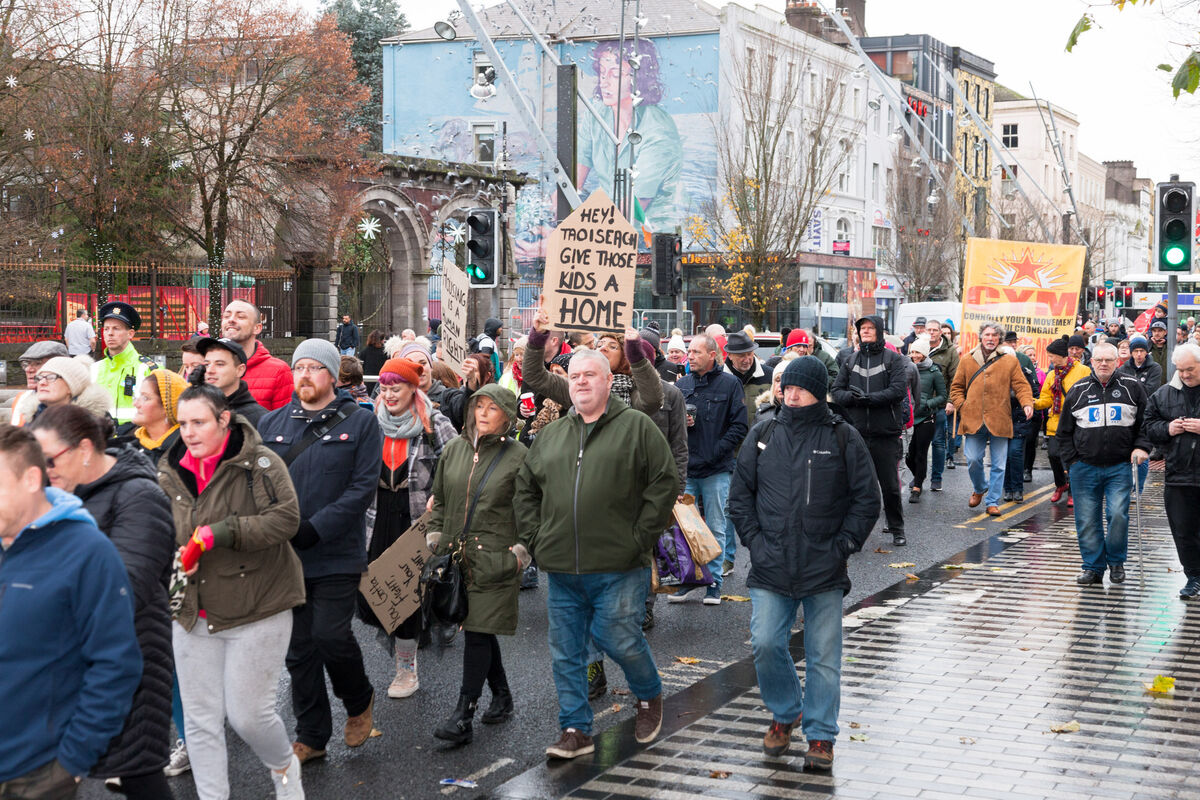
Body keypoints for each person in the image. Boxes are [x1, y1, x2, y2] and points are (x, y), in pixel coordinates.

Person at [514, 349, 677, 759]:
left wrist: (639, 537)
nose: (581, 382)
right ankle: (575, 729)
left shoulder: (636, 427)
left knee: (617, 637)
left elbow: (664, 481)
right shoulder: (552, 434)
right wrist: (536, 538)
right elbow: (526, 488)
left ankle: (648, 694)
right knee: (566, 652)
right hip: (562, 567)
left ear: (608, 381)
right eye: (574, 376)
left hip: (620, 564)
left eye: (590, 375)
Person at [728, 357, 880, 767]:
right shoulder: (762, 433)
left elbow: (867, 499)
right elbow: (740, 498)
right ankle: (786, 711)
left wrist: (843, 545)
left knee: (824, 657)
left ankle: (820, 735)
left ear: (818, 391)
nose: (790, 395)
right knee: (764, 643)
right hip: (770, 563)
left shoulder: (843, 436)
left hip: (824, 567)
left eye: (799, 388)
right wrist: (755, 544)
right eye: (786, 388)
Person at [158, 384, 305, 799]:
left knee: (248, 717)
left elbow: (286, 520)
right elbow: (163, 532)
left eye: (199, 422)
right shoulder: (170, 469)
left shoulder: (259, 463)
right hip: (192, 610)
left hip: (259, 606)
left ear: (224, 419)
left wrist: (220, 534)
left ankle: (284, 769)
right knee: (201, 720)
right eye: (183, 423)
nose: (188, 432)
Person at [30, 406, 176, 800]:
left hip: (127, 660)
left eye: (49, 459)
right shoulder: (57, 492)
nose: (43, 470)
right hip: (66, 660)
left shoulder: (140, 495)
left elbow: (124, 587)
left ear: (84, 449)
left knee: (139, 772)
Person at [257, 339, 383, 765]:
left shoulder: (362, 423)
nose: (304, 375)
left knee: (330, 634)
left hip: (335, 552)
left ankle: (358, 696)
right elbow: (258, 485)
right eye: (299, 368)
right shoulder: (273, 423)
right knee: (298, 649)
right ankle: (311, 733)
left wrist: (317, 528)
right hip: (285, 556)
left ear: (332, 375)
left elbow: (362, 488)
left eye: (314, 368)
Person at [0, 424, 141, 800]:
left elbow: (116, 664)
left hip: (35, 773)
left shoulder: (87, 552)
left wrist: (72, 762)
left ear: (32, 479)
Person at [426, 385, 527, 745]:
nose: (483, 413)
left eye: (492, 408)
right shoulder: (454, 449)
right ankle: (502, 694)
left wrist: (520, 554)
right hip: (456, 557)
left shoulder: (519, 456)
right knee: (479, 626)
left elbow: (532, 511)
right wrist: (435, 536)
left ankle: (463, 714)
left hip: (497, 560)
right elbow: (438, 501)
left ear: (507, 416)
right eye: (478, 406)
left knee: (479, 632)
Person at [360, 356, 456, 698]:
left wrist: (440, 499)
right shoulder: (370, 421)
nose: (388, 395)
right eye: (383, 388)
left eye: (395, 388)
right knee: (373, 594)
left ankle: (406, 670)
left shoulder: (435, 422)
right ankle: (403, 650)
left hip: (416, 516)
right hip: (378, 513)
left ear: (412, 389)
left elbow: (457, 465)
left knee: (407, 598)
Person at [1055, 342, 1150, 586]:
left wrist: (1141, 447)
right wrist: (1072, 462)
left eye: (1109, 359)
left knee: (1117, 514)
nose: (1104, 364)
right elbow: (1064, 432)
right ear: (1092, 362)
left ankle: (1116, 562)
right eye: (1099, 360)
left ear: (1117, 361)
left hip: (1120, 465)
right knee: (1087, 520)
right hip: (1084, 467)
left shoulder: (1133, 387)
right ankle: (1093, 568)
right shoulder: (1078, 390)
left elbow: (1146, 424)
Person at [671, 333, 748, 599]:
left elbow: (740, 426)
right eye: (689, 352)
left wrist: (716, 451)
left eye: (695, 352)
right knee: (685, 528)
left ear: (712, 355)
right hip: (687, 469)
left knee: (715, 526)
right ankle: (689, 578)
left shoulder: (730, 384)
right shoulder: (682, 385)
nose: (689, 356)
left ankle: (714, 581)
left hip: (716, 468)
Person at [830, 315, 909, 545]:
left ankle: (897, 529)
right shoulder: (849, 359)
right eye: (862, 328)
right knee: (852, 487)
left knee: (890, 487)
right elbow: (837, 391)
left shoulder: (893, 359)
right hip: (855, 433)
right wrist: (854, 400)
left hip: (885, 433)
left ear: (880, 331)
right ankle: (851, 533)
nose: (865, 331)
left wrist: (870, 399)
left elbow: (898, 391)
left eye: (869, 328)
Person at [949, 322, 1034, 516]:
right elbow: (956, 388)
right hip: (973, 418)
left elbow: (1021, 385)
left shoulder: (1009, 361)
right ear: (981, 337)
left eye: (994, 335)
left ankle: (992, 501)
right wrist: (963, 405)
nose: (990, 338)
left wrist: (1027, 402)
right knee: (972, 459)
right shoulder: (967, 360)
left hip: (1000, 418)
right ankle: (980, 488)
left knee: (998, 464)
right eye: (987, 334)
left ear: (999, 339)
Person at [1145, 343, 1200, 598]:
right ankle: (1194, 576)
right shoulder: (1163, 394)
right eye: (1181, 370)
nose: (1186, 375)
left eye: (1190, 369)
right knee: (1183, 531)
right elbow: (1149, 426)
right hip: (1179, 475)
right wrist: (1168, 429)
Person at [1034, 337, 1090, 507]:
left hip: (1077, 423)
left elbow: (1088, 394)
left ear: (1060, 355)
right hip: (1056, 423)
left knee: (1073, 459)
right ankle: (1060, 484)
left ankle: (1073, 491)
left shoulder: (1083, 371)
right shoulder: (1052, 375)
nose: (1050, 360)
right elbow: (1046, 399)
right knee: (1053, 455)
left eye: (1051, 356)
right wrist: (1031, 403)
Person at [91, 302, 158, 427]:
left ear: (130, 334)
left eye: (116, 328)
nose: (110, 333)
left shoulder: (147, 369)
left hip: (135, 441)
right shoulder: (94, 369)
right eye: (106, 329)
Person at [220, 299, 292, 410]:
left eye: (241, 317)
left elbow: (284, 423)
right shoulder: (208, 368)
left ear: (257, 328)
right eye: (226, 316)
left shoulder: (279, 371)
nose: (231, 320)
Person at [905, 337, 947, 503]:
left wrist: (928, 404)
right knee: (908, 456)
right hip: (908, 417)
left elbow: (943, 396)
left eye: (917, 352)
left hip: (926, 417)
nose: (914, 355)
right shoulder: (906, 368)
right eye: (912, 352)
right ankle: (919, 476)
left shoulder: (933, 372)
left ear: (924, 354)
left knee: (920, 454)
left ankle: (917, 487)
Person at [1003, 331, 1040, 504]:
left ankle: (1017, 488)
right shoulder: (996, 375)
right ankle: (1007, 488)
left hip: (1019, 418)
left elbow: (1033, 392)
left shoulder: (1024, 372)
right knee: (1004, 455)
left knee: (1015, 452)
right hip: (1001, 419)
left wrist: (1027, 405)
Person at [197, 337, 266, 426]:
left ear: (240, 370)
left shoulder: (260, 420)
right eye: (207, 364)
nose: (209, 370)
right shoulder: (195, 411)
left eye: (220, 364)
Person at [127, 370, 189, 465]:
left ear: (167, 406)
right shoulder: (130, 445)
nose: (135, 404)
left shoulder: (183, 454)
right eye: (138, 396)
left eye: (146, 398)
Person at [925, 319, 959, 488]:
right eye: (928, 330)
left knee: (938, 442)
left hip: (939, 403)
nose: (931, 333)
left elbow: (955, 378)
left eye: (934, 330)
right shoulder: (919, 346)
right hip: (920, 405)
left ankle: (936, 478)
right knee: (917, 444)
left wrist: (951, 401)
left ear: (940, 332)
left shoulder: (950, 351)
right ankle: (918, 477)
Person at [29, 355, 114, 421]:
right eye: (39, 378)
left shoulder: (92, 423)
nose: (42, 382)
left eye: (51, 377)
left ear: (71, 386)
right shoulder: (32, 418)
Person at [10, 341, 69, 426]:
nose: (28, 369)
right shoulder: (21, 399)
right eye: (26, 364)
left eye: (38, 363)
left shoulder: (80, 404)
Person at [724, 331, 773, 427]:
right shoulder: (718, 379)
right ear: (729, 355)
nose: (747, 359)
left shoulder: (770, 376)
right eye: (741, 355)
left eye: (750, 354)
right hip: (730, 441)